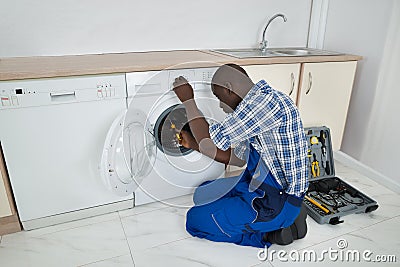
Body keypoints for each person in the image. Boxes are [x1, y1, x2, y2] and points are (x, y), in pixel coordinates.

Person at [172, 63, 309, 248]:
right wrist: (193, 145)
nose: (220, 106)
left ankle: (270, 233)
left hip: (273, 203)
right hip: (257, 186)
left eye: (219, 97)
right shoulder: (264, 100)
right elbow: (237, 157)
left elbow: (209, 140)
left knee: (194, 220)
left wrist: (188, 101)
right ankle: (284, 218)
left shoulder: (261, 106)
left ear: (229, 88)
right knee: (202, 193)